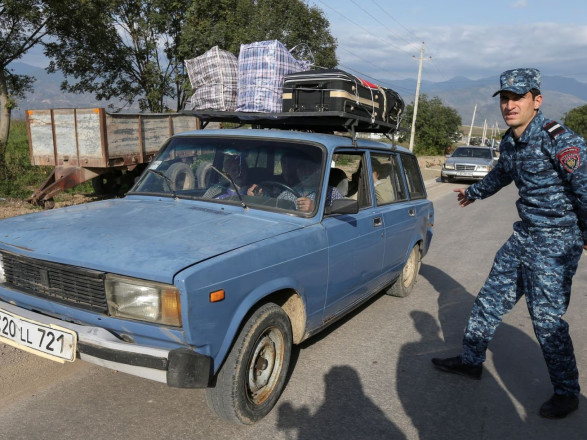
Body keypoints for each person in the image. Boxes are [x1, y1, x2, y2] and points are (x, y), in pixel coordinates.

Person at [431, 68, 586, 419]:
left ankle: (567, 392)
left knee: (547, 321)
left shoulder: (559, 140)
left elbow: (585, 188)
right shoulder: (510, 141)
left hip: (555, 242)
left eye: (518, 97)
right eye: (505, 98)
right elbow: (502, 174)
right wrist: (473, 192)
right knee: (489, 299)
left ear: (537, 100)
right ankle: (470, 361)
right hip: (524, 235)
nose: (510, 104)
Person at [248, 152, 343, 212]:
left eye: (310, 168)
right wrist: (259, 197)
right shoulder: (289, 192)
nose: (305, 172)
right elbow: (275, 205)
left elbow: (340, 216)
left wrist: (316, 209)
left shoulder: (331, 192)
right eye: (302, 167)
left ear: (319, 170)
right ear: (297, 171)